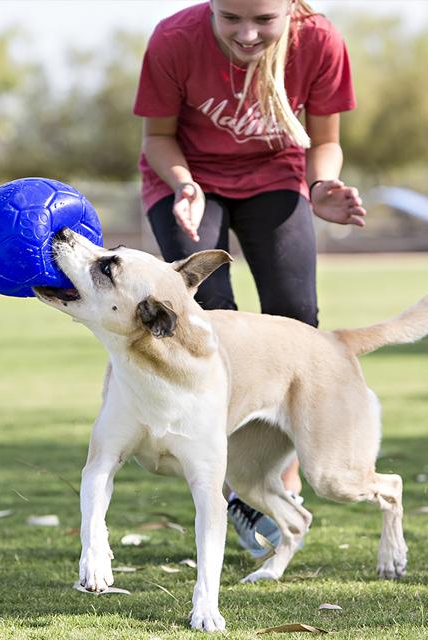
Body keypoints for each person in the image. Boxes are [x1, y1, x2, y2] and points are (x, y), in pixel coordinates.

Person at [132, 0, 365, 557]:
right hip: (189, 183)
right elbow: (157, 137)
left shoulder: (319, 41)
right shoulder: (175, 39)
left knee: (296, 321)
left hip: (275, 178)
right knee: (208, 319)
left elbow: (324, 141)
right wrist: (185, 186)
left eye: (263, 20)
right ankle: (234, 486)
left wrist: (322, 187)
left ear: (289, 9)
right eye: (231, 17)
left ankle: (278, 475)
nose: (247, 34)